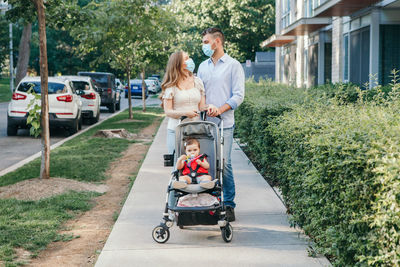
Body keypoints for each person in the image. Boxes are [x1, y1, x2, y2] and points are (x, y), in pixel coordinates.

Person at [197, 27, 245, 222]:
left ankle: (229, 204)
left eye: (206, 42)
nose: (204, 46)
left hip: (225, 123)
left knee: (225, 164)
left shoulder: (233, 65)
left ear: (217, 41)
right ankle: (210, 201)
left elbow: (238, 95)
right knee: (207, 164)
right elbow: (200, 93)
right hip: (206, 124)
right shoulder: (202, 66)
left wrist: (220, 109)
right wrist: (204, 107)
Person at [160, 51, 212, 154]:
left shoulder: (197, 82)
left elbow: (201, 107)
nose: (190, 60)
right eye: (187, 58)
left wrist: (210, 106)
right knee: (178, 166)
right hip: (176, 130)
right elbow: (168, 111)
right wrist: (185, 113)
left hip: (195, 131)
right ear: (178, 63)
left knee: (195, 165)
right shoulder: (171, 85)